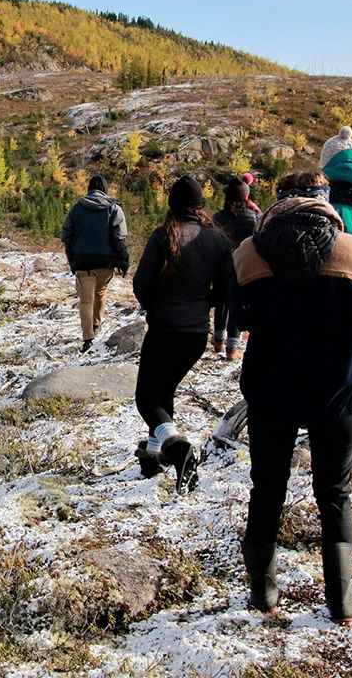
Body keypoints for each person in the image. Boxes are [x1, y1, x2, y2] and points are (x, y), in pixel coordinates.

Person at [232, 170, 352, 625]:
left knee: (267, 489)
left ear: (278, 201)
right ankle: (341, 601)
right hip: (340, 389)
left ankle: (263, 594)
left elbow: (239, 315)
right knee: (335, 492)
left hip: (270, 391)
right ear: (325, 201)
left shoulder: (248, 254)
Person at [131, 176, 232, 493]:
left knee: (147, 399)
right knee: (164, 393)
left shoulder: (162, 237)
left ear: (172, 206)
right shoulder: (218, 241)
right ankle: (152, 457)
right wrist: (203, 303)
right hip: (195, 334)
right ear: (202, 207)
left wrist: (156, 306)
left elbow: (141, 285)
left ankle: (177, 449)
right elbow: (228, 290)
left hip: (164, 329)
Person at [61, 175, 130, 352]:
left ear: (89, 189)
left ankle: (88, 338)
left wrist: (72, 259)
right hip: (106, 262)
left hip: (83, 262)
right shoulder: (114, 209)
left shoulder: (76, 209)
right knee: (100, 292)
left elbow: (66, 235)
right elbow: (119, 238)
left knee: (85, 301)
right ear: (105, 189)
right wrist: (123, 260)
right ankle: (97, 324)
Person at [212, 178, 260, 359]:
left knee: (221, 301)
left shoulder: (217, 217)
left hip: (221, 264)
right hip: (243, 264)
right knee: (237, 303)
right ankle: (232, 348)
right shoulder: (252, 217)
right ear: (246, 196)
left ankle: (218, 340)